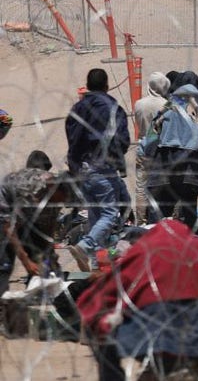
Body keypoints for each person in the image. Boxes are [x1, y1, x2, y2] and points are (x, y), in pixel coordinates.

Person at [77, 220, 198, 381]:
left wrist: (97, 324)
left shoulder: (143, 253)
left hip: (147, 337)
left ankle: (143, 372)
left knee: (108, 323)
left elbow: (98, 299)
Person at [66, 68, 131, 272]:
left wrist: (75, 164)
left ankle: (95, 263)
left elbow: (72, 136)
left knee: (96, 214)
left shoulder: (78, 108)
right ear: (106, 85)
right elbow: (121, 139)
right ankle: (86, 246)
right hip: (103, 167)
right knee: (110, 213)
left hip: (82, 168)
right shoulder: (112, 107)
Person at [146, 84, 198, 229]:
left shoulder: (167, 109)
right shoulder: (197, 108)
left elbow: (152, 135)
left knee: (164, 206)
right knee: (189, 204)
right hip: (190, 167)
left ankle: (159, 235)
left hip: (167, 164)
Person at [0, 168, 76, 295]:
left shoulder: (55, 198)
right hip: (6, 211)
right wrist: (26, 261)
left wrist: (50, 253)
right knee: (5, 258)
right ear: (55, 188)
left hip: (26, 213)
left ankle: (36, 289)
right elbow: (9, 228)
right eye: (64, 197)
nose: (64, 202)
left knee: (41, 251)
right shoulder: (31, 192)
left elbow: (48, 227)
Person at [132, 71, 171, 226]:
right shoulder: (167, 106)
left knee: (141, 186)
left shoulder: (139, 104)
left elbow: (139, 124)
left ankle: (141, 221)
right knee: (160, 185)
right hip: (160, 149)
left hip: (143, 146)